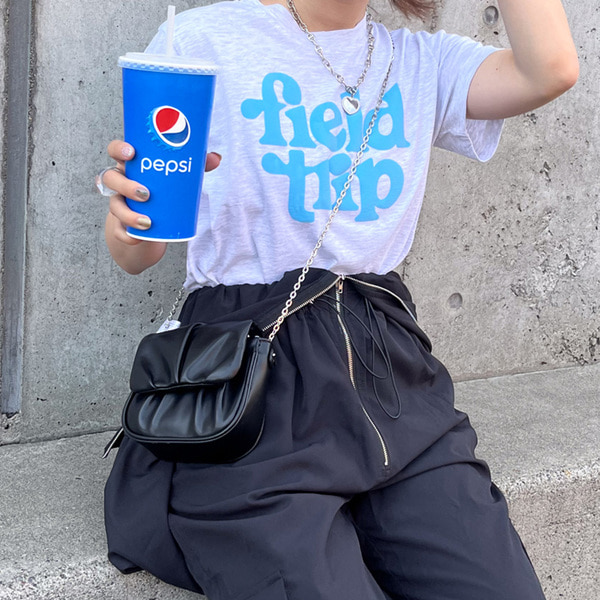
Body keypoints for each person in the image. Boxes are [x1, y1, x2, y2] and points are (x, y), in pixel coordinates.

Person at [99, 1, 578, 598]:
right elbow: (139, 251)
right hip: (248, 385)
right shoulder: (199, 40)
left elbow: (550, 69)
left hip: (389, 378)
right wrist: (130, 226)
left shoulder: (420, 61)